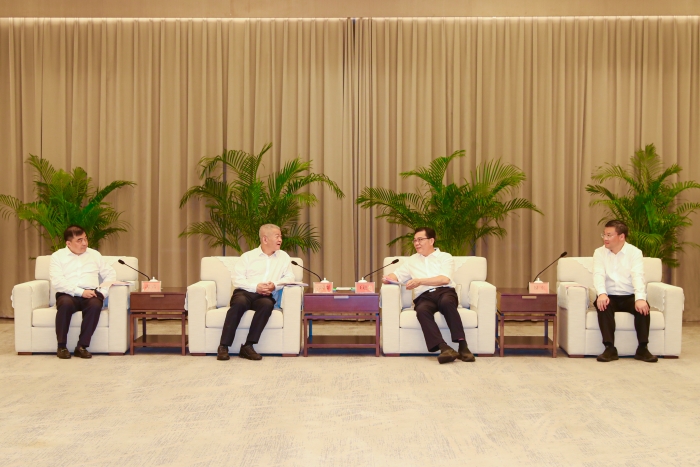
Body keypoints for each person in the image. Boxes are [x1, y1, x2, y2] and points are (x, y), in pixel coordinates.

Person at [382, 227, 474, 364]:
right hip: (424, 296)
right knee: (422, 310)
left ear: (431, 241)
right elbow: (396, 275)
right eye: (414, 240)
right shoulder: (412, 260)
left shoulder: (445, 257)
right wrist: (388, 278)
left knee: (447, 303)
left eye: (420, 239)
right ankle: (445, 348)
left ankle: (463, 346)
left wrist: (419, 281)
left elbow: (444, 279)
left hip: (445, 291)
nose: (416, 243)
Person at [217, 224, 295, 361]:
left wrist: (274, 285)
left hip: (265, 295)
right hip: (245, 292)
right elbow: (237, 279)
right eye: (277, 236)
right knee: (239, 303)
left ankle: (248, 346)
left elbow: (290, 277)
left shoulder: (283, 257)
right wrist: (255, 287)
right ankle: (224, 346)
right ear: (265, 239)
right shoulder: (248, 257)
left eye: (281, 236)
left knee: (267, 305)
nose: (280, 239)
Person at [593, 220, 657, 363]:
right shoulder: (599, 252)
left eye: (609, 235)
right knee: (602, 305)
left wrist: (640, 298)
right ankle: (609, 348)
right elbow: (598, 274)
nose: (605, 238)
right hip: (609, 296)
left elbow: (638, 276)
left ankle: (642, 348)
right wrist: (601, 293)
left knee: (643, 307)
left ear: (621, 236)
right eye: (604, 235)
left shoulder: (634, 253)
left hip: (629, 296)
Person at [49, 225, 116, 359]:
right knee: (65, 304)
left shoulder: (94, 255)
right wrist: (81, 292)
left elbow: (110, 274)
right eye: (79, 240)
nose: (84, 243)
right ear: (68, 243)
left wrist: (102, 293)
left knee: (95, 304)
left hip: (91, 293)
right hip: (68, 293)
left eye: (85, 239)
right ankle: (61, 346)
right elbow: (58, 281)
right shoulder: (57, 257)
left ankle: (81, 346)